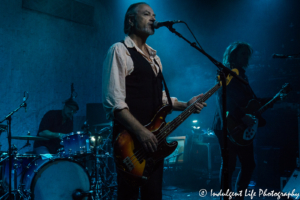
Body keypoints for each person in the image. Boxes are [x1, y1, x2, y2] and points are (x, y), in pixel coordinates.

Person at [102, 2, 207, 200]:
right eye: (146, 14)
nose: (153, 18)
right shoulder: (119, 50)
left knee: (153, 195)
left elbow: (157, 97)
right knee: (128, 196)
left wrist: (186, 105)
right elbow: (114, 103)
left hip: (153, 141)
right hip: (130, 143)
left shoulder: (155, 58)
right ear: (131, 20)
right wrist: (141, 133)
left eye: (154, 15)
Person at [212, 41, 273, 199]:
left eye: (248, 54)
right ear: (233, 55)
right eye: (243, 53)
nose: (247, 57)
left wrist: (273, 99)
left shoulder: (242, 75)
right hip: (227, 125)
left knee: (249, 164)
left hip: (242, 125)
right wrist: (242, 116)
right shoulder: (226, 73)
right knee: (229, 166)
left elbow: (251, 102)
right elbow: (222, 98)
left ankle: (239, 196)